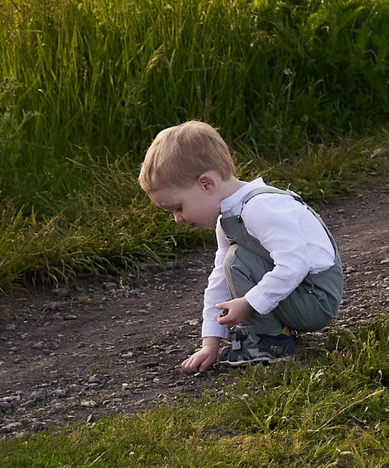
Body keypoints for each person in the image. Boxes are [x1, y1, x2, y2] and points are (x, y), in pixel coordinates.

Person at [139, 120, 345, 370]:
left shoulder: (259, 208)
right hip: (300, 293)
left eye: (178, 208)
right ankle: (274, 331)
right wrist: (210, 342)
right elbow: (220, 279)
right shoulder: (228, 218)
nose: (177, 219)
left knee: (237, 260)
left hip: (316, 299)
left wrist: (249, 304)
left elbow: (296, 263)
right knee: (231, 263)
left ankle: (272, 340)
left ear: (207, 184)